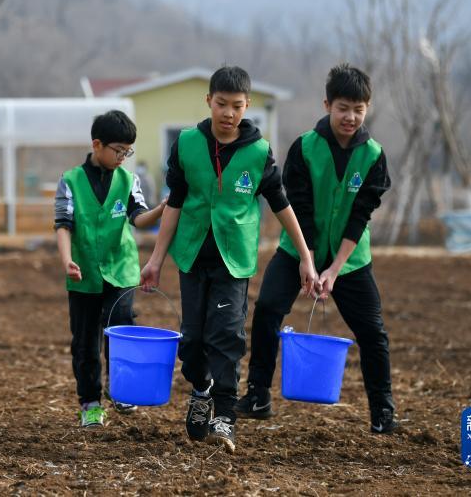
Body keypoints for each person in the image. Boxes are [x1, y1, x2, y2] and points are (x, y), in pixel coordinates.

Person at [139, 65, 316, 453]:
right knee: (192, 340)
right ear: (209, 101)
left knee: (226, 336)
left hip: (232, 261)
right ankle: (201, 390)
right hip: (191, 255)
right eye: (222, 104)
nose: (228, 113)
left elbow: (281, 205)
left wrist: (305, 256)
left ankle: (224, 416)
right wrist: (156, 259)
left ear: (247, 105)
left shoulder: (258, 152)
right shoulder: (187, 144)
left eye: (237, 106)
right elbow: (175, 204)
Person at [236, 64, 397, 434]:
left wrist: (334, 269)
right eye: (343, 108)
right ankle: (258, 395)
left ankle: (383, 412)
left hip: (350, 259)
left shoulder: (373, 156)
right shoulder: (305, 147)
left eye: (358, 109)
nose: (350, 117)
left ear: (367, 109)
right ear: (327, 105)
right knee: (268, 309)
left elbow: (360, 216)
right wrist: (307, 261)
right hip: (297, 249)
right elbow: (301, 210)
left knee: (373, 332)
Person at [55, 110, 167, 428]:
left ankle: (121, 389)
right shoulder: (71, 181)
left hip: (121, 269)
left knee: (121, 329)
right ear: (97, 145)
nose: (122, 157)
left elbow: (139, 218)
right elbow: (63, 224)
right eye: (118, 150)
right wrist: (67, 260)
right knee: (85, 340)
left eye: (127, 152)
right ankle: (90, 403)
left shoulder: (128, 181)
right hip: (84, 271)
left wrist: (161, 208)